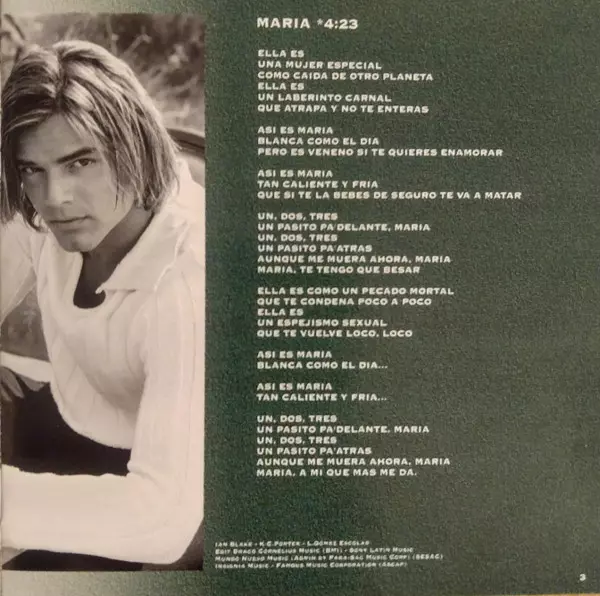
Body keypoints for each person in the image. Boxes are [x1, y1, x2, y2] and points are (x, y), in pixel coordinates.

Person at [0, 40, 205, 570]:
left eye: (81, 162)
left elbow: (163, 518)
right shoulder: (45, 214)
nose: (55, 198)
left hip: (195, 488)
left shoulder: (186, 280)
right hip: (87, 420)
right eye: (32, 169)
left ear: (132, 146)